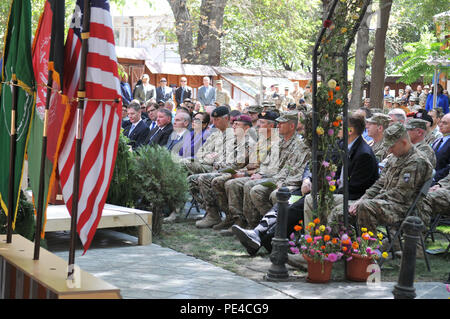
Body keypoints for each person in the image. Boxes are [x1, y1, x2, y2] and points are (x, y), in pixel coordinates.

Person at [349, 122, 433, 233]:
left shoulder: (417, 161)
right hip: (385, 202)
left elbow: (401, 195)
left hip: (404, 208)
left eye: (392, 146)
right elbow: (380, 183)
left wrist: (368, 201)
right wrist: (362, 199)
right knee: (341, 208)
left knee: (364, 207)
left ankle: (370, 247)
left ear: (404, 143)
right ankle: (339, 245)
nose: (389, 151)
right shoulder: (394, 157)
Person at [303, 114, 379, 229]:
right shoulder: (342, 144)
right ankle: (316, 237)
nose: (336, 128)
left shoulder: (364, 154)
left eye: (340, 126)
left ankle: (313, 239)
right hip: (341, 191)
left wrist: (329, 193)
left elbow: (356, 188)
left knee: (311, 200)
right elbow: (326, 163)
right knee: (310, 198)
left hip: (355, 197)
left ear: (350, 130)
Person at [241, 111, 310, 228]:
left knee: (273, 193)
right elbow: (270, 165)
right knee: (255, 188)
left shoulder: (299, 145)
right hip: (276, 178)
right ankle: (259, 225)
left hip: (290, 182)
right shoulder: (279, 143)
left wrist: (280, 182)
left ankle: (276, 228)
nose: (278, 126)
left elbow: (295, 172)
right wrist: (261, 175)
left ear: (292, 126)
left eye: (281, 124)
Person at [196, 114, 257, 229]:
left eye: (237, 124)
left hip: (236, 172)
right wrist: (217, 163)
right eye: (233, 124)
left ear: (246, 128)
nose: (233, 126)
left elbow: (236, 163)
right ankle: (217, 214)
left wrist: (216, 164)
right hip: (226, 170)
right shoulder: (235, 141)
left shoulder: (248, 143)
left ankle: (235, 218)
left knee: (215, 180)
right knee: (203, 178)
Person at [180, 106, 233, 210]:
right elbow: (200, 152)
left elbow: (222, 157)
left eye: (217, 120)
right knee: (185, 171)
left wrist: (209, 157)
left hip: (217, 168)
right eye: (213, 120)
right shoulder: (215, 134)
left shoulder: (232, 135)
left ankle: (208, 209)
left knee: (183, 163)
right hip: (206, 164)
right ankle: (204, 206)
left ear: (226, 119)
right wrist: (207, 156)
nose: (214, 123)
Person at [431, 113, 450, 185]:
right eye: (440, 122)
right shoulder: (438, 139)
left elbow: (448, 167)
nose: (440, 125)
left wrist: (434, 177)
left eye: (445, 123)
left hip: (441, 182)